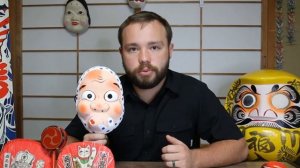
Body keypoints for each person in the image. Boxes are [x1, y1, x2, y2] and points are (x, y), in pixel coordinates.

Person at [65, 11, 249, 167]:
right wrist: (82, 148)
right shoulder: (102, 92)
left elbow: (239, 147)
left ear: (170, 50)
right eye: (133, 49)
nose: (144, 58)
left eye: (154, 47)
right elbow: (67, 140)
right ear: (121, 53)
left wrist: (194, 158)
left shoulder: (195, 92)